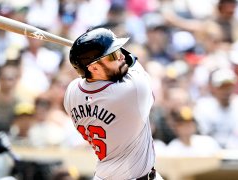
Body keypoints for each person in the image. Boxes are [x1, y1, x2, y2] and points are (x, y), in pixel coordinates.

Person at [63, 28, 163, 179]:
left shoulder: (71, 92)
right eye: (114, 55)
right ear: (94, 68)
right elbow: (131, 60)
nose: (121, 56)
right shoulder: (133, 89)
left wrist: (100, 53)